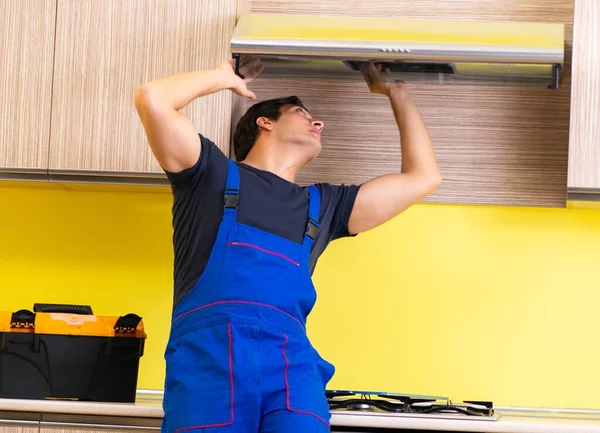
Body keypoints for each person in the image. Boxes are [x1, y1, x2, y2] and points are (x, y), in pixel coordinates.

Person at [134, 55, 441, 433]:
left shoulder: (325, 206)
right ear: (264, 121)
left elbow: (423, 176)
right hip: (209, 361)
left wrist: (396, 91)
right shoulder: (208, 174)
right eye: (300, 111)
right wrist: (223, 76)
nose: (319, 122)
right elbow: (153, 98)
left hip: (291, 366)